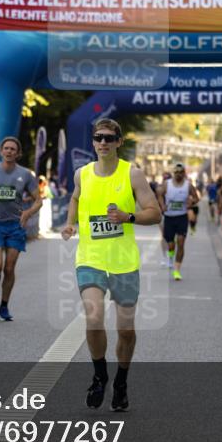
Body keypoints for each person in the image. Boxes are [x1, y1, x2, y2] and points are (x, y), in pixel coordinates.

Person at [60, 118, 161, 412]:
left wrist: (128, 217)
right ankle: (100, 374)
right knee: (93, 318)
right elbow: (76, 198)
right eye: (98, 138)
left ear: (119, 142)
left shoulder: (133, 175)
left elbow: (155, 213)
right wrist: (69, 224)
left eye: (108, 138)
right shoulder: (82, 174)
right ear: (93, 142)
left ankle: (121, 382)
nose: (102, 142)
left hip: (123, 262)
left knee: (126, 330)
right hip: (90, 258)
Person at [0, 137, 42, 322]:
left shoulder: (26, 174)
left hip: (15, 226)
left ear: (18, 153)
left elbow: (38, 200)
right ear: (1, 151)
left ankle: (4, 305)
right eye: (6, 148)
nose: (9, 151)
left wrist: (27, 213)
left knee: (9, 269)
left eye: (13, 149)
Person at [155, 162, 199, 281]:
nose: (179, 174)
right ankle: (170, 256)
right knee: (171, 244)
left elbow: (196, 197)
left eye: (181, 172)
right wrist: (162, 204)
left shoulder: (188, 185)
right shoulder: (167, 184)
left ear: (184, 173)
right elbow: (159, 193)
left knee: (181, 242)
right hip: (169, 217)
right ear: (173, 173)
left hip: (181, 217)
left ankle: (177, 270)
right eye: (176, 172)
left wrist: (192, 202)